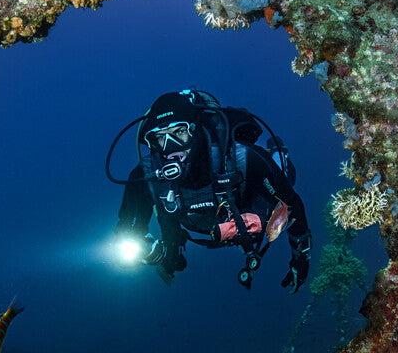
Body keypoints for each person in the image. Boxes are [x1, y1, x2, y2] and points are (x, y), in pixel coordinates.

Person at [111, 89, 312, 291]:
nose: (171, 147)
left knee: (285, 177)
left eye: (180, 132)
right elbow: (125, 232)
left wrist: (301, 257)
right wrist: (145, 251)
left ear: (195, 130)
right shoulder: (145, 176)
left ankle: (278, 154)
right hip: (192, 223)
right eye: (160, 138)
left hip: (252, 212)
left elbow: (292, 204)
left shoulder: (243, 158)